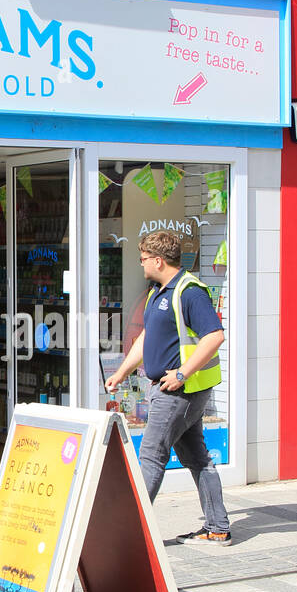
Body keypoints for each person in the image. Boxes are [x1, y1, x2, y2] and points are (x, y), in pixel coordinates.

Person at [104, 230, 230, 544]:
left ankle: (127, 533)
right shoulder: (158, 291)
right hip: (175, 390)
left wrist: (182, 374)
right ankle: (217, 527)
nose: (141, 263)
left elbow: (215, 336)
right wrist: (121, 372)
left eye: (144, 259)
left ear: (159, 260)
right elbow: (148, 337)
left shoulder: (189, 292)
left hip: (178, 392)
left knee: (150, 456)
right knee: (197, 457)